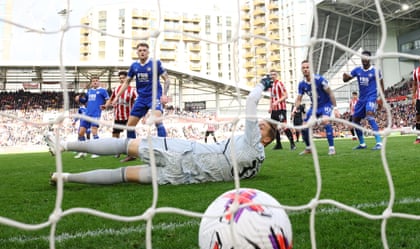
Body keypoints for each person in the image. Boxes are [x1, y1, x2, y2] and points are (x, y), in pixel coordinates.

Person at [45, 76, 276, 186]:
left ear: (265, 139)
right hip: (186, 176)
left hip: (185, 152)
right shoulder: (257, 164)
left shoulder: (253, 142)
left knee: (125, 146)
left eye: (262, 127)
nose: (257, 125)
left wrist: (264, 84)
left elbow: (251, 102)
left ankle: (64, 145)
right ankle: (64, 178)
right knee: (123, 176)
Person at [116, 42, 170, 162]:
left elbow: (167, 79)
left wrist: (164, 95)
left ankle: (166, 150)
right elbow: (126, 82)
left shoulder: (155, 63)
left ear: (148, 52)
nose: (142, 52)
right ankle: (132, 153)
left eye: (144, 50)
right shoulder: (134, 66)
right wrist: (116, 97)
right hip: (141, 98)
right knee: (129, 126)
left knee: (157, 121)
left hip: (155, 96)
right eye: (140, 50)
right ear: (137, 52)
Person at [293, 60, 340, 156]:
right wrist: (294, 108)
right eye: (303, 68)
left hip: (326, 104)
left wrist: (335, 108)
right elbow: (299, 99)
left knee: (325, 121)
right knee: (304, 126)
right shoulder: (302, 84)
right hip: (314, 106)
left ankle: (332, 148)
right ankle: (308, 148)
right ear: (301, 70)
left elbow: (330, 93)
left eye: (307, 67)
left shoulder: (320, 80)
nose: (305, 69)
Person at [342, 50, 384, 150]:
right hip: (361, 99)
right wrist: (345, 77)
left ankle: (379, 142)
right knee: (355, 120)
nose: (364, 59)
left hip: (371, 97)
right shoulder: (357, 70)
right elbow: (346, 80)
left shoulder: (375, 70)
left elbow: (381, 83)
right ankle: (362, 144)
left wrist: (381, 98)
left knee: (369, 115)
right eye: (362, 57)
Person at [76, 76, 111, 158]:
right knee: (80, 133)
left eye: (96, 81)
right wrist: (79, 99)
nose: (95, 82)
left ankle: (97, 152)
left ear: (99, 82)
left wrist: (106, 105)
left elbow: (108, 99)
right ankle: (83, 152)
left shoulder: (103, 90)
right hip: (87, 114)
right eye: (93, 81)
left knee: (94, 131)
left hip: (96, 113)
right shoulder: (89, 91)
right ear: (91, 83)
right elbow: (85, 101)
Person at [106, 70, 138, 159]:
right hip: (118, 116)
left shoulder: (132, 90)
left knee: (130, 135)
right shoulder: (116, 89)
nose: (121, 80)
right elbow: (111, 99)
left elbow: (138, 101)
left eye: (123, 78)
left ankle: (132, 153)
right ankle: (117, 152)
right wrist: (106, 105)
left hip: (129, 116)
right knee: (115, 134)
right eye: (120, 78)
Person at [268, 69, 296, 150]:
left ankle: (292, 144)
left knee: (284, 125)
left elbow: (285, 95)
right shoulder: (271, 86)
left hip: (281, 109)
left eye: (274, 74)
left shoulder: (279, 84)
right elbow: (271, 98)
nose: (272, 76)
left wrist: (277, 101)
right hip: (274, 110)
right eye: (271, 74)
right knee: (274, 126)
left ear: (277, 75)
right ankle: (278, 144)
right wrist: (270, 107)